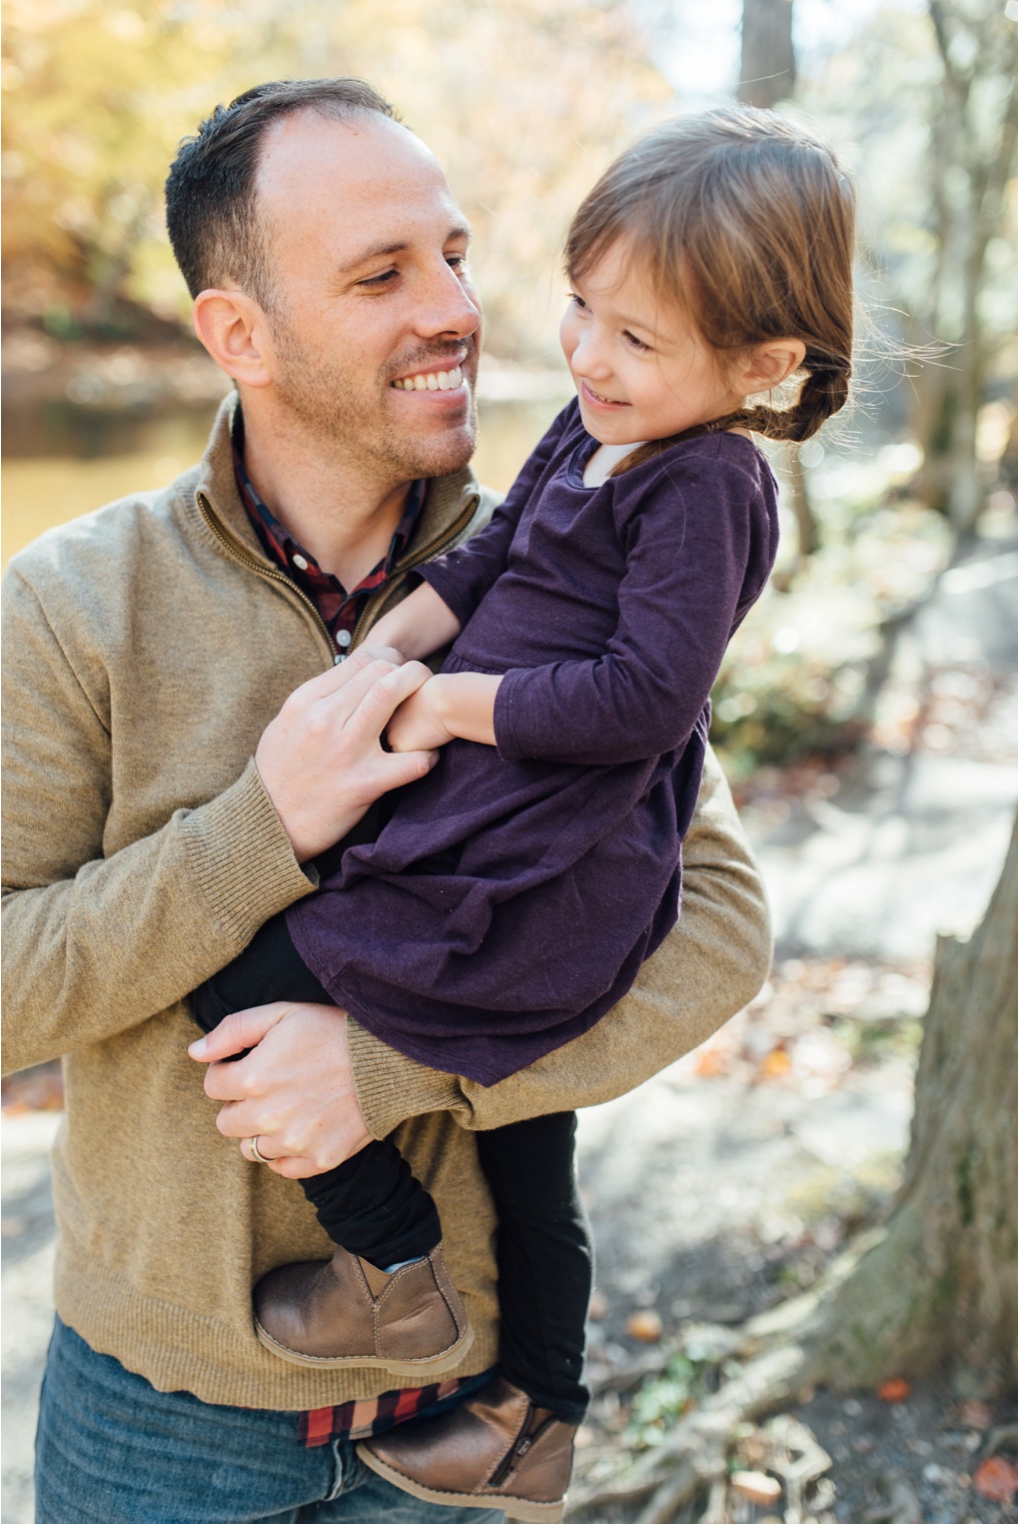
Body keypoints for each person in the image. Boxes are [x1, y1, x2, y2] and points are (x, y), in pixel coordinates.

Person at [2, 79, 774, 1524]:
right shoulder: (72, 601)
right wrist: (256, 837)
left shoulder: (585, 556)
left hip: (459, 1423)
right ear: (239, 334)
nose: (458, 309)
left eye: (458, 255)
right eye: (382, 274)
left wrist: (394, 1067)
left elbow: (719, 930)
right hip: (161, 1415)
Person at [186, 110, 853, 1519]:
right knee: (523, 1147)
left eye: (639, 341)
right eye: (581, 310)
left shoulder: (711, 482)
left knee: (274, 981)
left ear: (765, 365)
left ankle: (392, 1271)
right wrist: (386, 655)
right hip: (478, 811)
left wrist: (443, 712)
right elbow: (491, 559)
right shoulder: (601, 422)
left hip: (552, 850)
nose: (590, 358)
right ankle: (539, 1416)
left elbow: (638, 701)